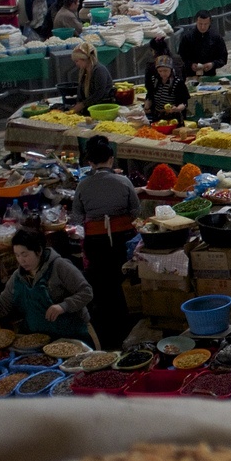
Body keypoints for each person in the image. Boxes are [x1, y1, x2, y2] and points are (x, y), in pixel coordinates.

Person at [0, 228, 95, 341]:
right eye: (17, 255)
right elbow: (1, 306)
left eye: (25, 254)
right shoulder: (18, 277)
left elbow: (86, 292)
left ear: (38, 251)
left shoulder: (60, 266)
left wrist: (63, 306)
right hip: (38, 339)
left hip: (73, 336)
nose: (21, 260)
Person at [70, 135, 138, 347]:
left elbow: (77, 218)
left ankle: (105, 338)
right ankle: (128, 327)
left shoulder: (83, 185)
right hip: (123, 242)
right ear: (111, 158)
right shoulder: (123, 181)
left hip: (96, 244)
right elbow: (135, 212)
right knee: (122, 285)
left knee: (102, 289)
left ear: (90, 162)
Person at [178, 10, 227, 74]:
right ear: (196, 22)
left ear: (209, 23)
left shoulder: (216, 37)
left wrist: (213, 64)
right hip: (190, 74)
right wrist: (190, 65)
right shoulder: (187, 38)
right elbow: (180, 57)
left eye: (205, 24)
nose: (203, 27)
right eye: (200, 24)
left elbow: (223, 58)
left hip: (209, 74)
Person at [64, 42, 106, 113]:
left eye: (77, 61)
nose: (76, 64)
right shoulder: (83, 72)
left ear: (84, 59)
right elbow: (80, 90)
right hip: (89, 107)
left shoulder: (99, 70)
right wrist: (78, 103)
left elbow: (99, 93)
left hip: (101, 107)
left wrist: (82, 105)